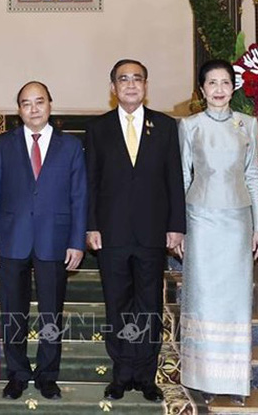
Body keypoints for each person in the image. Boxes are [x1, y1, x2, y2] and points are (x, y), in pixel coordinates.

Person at [85, 59, 186, 403]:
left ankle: (145, 374)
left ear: (146, 85)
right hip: (110, 233)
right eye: (123, 79)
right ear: (112, 88)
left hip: (153, 232)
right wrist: (91, 226)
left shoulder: (166, 126)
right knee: (117, 305)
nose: (130, 85)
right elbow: (91, 182)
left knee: (149, 306)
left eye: (137, 79)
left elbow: (175, 179)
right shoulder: (98, 129)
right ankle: (121, 372)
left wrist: (176, 227)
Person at [0, 81, 87, 401]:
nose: (33, 108)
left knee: (51, 312)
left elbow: (79, 196)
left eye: (39, 102)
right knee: (14, 310)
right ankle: (17, 373)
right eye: (26, 103)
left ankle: (47, 375)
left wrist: (77, 241)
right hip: (12, 239)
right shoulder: (4, 144)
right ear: (19, 110)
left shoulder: (70, 147)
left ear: (50, 106)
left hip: (54, 240)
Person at [178, 59, 258, 406]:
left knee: (234, 300)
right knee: (204, 298)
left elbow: (253, 176)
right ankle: (203, 379)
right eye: (211, 83)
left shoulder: (248, 125)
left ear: (234, 87)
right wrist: (180, 228)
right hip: (200, 220)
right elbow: (184, 177)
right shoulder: (189, 126)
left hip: (237, 221)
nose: (218, 89)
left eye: (225, 83)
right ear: (202, 89)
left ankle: (234, 379)